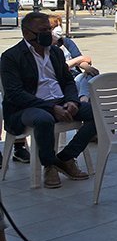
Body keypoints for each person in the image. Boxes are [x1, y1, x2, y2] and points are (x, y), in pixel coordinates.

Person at [0, 11, 95, 189]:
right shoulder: (11, 57)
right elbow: (15, 94)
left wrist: (72, 101)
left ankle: (64, 158)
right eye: (42, 30)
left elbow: (68, 81)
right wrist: (51, 108)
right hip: (27, 107)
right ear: (26, 33)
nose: (48, 34)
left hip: (59, 101)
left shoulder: (55, 53)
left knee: (97, 113)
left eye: (49, 29)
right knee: (44, 119)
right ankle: (49, 165)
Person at [50, 15, 100, 100]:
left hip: (76, 76)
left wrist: (87, 68)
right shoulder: (46, 47)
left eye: (59, 25)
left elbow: (81, 59)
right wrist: (79, 60)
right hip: (62, 80)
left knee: (90, 77)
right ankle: (84, 101)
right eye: (55, 27)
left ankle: (84, 99)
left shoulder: (66, 42)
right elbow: (61, 66)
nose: (58, 29)